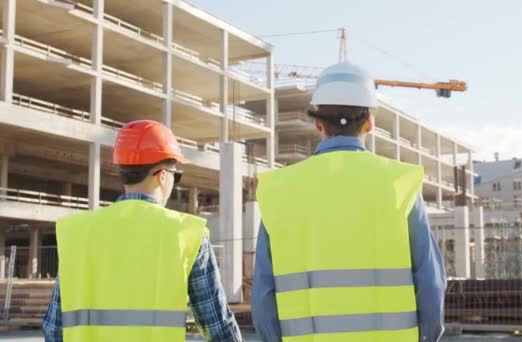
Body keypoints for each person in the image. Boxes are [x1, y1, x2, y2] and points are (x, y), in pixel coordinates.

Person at [252, 62, 446, 341]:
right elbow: (431, 285)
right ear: (369, 122)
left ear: (318, 124)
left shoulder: (278, 190)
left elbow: (263, 297)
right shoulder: (400, 184)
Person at [43, 120, 243, 342]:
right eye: (176, 176)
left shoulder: (78, 233)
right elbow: (218, 327)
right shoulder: (185, 234)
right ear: (162, 175)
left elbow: (54, 328)